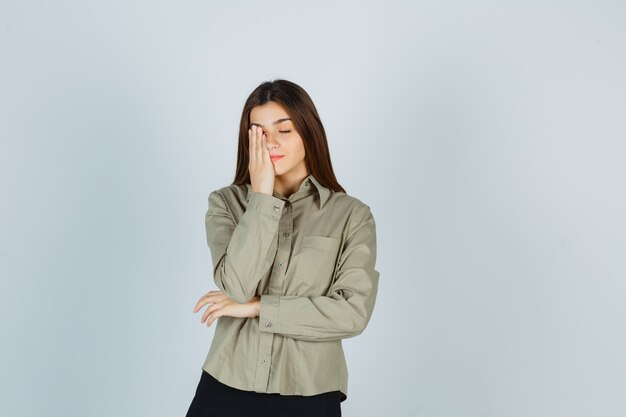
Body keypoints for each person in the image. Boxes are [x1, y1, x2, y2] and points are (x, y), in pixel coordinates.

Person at [185, 79, 380, 417]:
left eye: (284, 130)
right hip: (225, 386)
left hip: (310, 392)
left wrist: (259, 308)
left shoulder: (352, 216)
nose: (270, 142)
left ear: (308, 132)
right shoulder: (226, 204)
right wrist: (260, 197)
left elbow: (352, 314)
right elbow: (237, 285)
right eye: (258, 132)